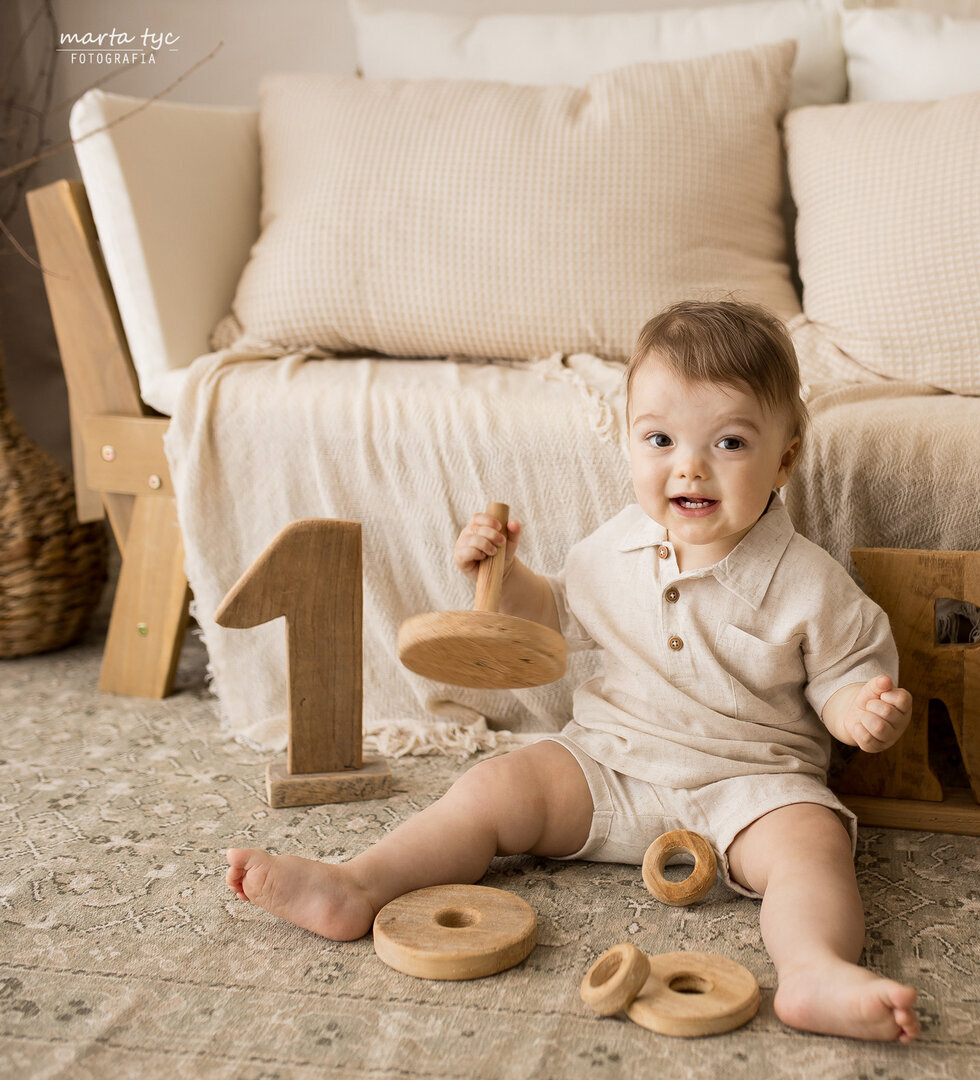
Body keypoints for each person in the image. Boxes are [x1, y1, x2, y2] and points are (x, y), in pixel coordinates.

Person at [226, 299, 919, 1042]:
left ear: (784, 457)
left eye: (728, 442)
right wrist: (505, 573)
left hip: (750, 785)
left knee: (812, 849)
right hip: (609, 765)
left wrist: (859, 710)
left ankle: (813, 969)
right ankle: (356, 884)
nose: (689, 465)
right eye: (660, 439)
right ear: (629, 443)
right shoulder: (615, 548)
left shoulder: (807, 582)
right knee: (495, 787)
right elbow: (553, 611)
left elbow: (845, 670)